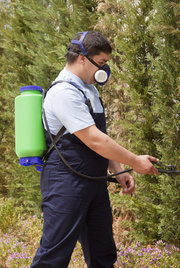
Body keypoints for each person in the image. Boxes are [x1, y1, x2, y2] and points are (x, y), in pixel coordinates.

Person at [30, 31, 159, 268]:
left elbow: (101, 136)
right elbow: (93, 140)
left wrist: (119, 170)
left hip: (92, 182)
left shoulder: (89, 89)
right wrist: (135, 161)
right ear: (82, 58)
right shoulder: (64, 92)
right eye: (100, 64)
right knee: (54, 255)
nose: (103, 71)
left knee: (103, 251)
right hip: (64, 182)